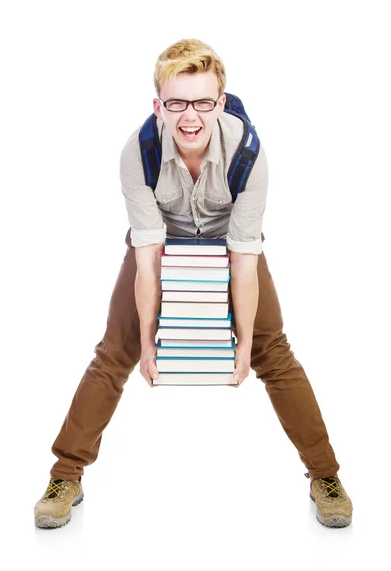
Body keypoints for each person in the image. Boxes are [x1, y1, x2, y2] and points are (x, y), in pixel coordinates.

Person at [34, 38, 353, 529]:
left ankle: (325, 476)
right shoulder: (136, 152)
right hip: (162, 243)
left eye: (203, 102)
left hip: (230, 243)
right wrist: (146, 340)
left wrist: (243, 344)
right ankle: (65, 475)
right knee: (113, 351)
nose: (190, 116)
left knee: (273, 349)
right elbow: (148, 258)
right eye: (177, 102)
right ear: (158, 105)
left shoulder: (249, 152)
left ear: (220, 103)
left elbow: (245, 262)